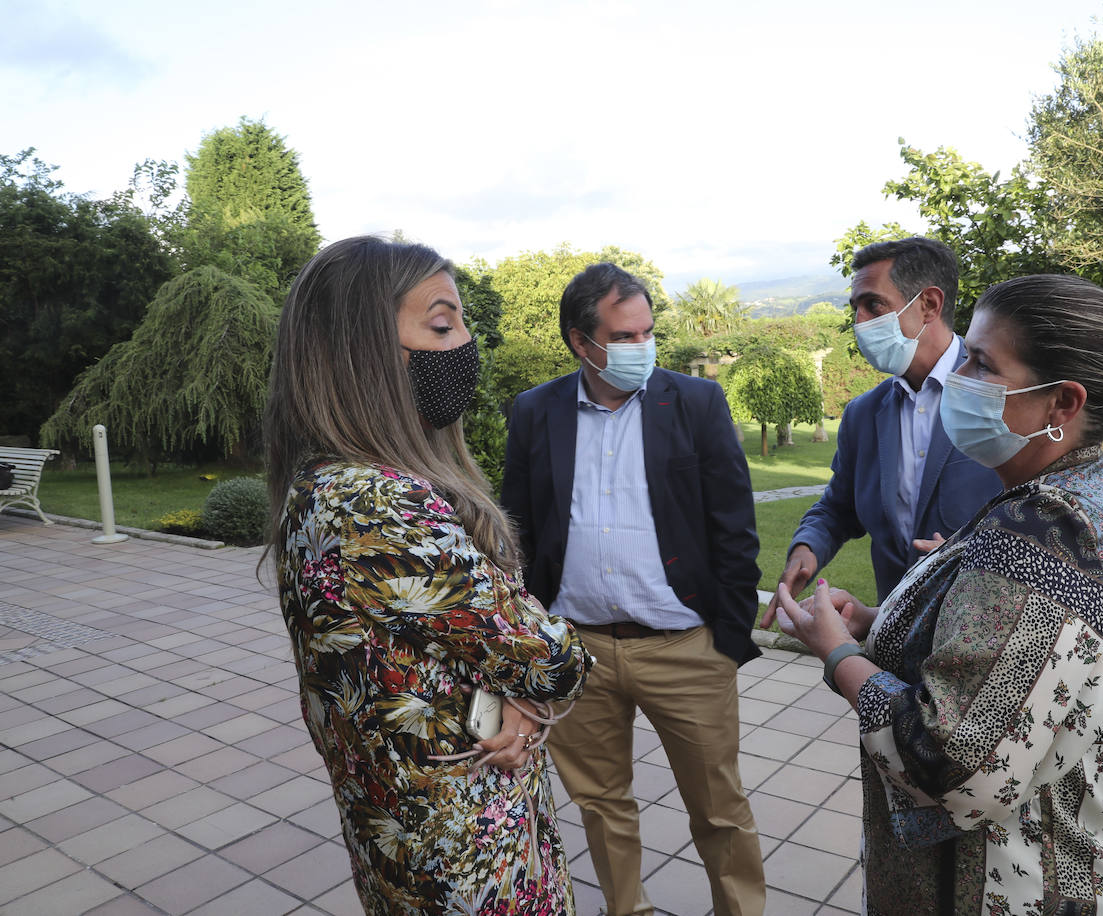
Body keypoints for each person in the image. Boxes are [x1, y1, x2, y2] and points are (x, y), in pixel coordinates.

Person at [772, 274, 1103, 914]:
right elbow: (1024, 655)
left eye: (982, 363)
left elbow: (948, 760)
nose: (960, 375)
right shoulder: (1088, 489)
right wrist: (882, 621)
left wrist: (839, 653)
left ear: (1062, 403)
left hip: (1020, 879)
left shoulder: (1048, 531)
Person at [264, 236, 592, 915]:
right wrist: (531, 694)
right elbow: (554, 660)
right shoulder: (377, 503)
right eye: (442, 324)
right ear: (364, 353)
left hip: (409, 844)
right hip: (467, 860)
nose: (467, 344)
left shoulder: (319, 485)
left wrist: (522, 697)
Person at [501, 262, 766, 916]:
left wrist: (726, 640)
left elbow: (735, 527)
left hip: (684, 649)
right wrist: (533, 637)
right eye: (623, 336)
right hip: (579, 649)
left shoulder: (696, 404)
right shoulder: (536, 412)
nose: (641, 347)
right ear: (580, 342)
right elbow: (519, 531)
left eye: (647, 332)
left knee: (719, 809)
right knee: (601, 803)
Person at [768, 237, 1003, 617]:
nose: (860, 322)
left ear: (928, 305)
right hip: (891, 640)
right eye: (855, 308)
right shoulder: (863, 413)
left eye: (873, 305)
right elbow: (838, 506)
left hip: (981, 637)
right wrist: (806, 548)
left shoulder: (1001, 395)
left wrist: (972, 553)